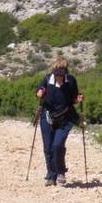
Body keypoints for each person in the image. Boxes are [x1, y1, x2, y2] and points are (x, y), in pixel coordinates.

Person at [35, 57, 83, 186]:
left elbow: (73, 98)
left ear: (66, 72)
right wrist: (39, 93)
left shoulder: (71, 80)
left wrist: (78, 100)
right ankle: (51, 175)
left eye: (62, 75)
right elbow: (39, 91)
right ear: (54, 72)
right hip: (47, 116)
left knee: (57, 145)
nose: (60, 78)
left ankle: (60, 171)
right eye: (58, 75)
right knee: (48, 147)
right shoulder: (47, 79)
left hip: (66, 117)